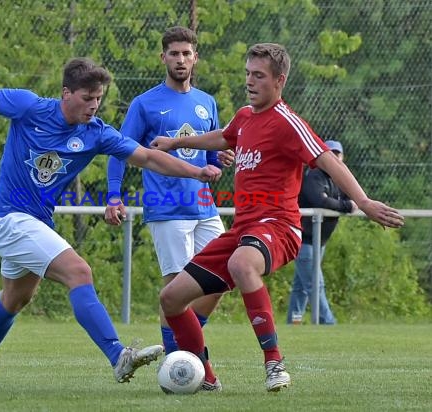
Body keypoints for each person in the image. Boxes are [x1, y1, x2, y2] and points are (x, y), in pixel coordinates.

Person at [0, 57, 222, 389]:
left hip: (37, 224)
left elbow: (148, 157)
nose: (94, 105)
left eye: (98, 98)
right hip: (10, 219)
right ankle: (118, 356)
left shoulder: (96, 133)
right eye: (87, 98)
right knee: (79, 272)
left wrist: (197, 171)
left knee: (14, 299)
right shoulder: (29, 107)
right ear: (66, 93)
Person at [150, 43, 404, 392]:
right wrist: (176, 143)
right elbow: (225, 138)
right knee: (171, 298)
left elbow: (327, 159)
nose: (249, 82)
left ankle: (274, 362)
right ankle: (204, 377)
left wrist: (363, 201)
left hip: (279, 227)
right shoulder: (244, 117)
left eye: (258, 76)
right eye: (247, 74)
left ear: (279, 81)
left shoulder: (287, 122)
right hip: (244, 230)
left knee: (242, 264)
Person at [104, 26, 232, 371]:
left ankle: (181, 349)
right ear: (163, 57)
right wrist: (113, 195)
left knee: (223, 277)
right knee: (177, 290)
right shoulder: (145, 103)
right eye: (174, 54)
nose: (180, 59)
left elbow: (207, 154)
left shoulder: (207, 103)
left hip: (204, 206)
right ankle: (185, 363)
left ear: (195, 58)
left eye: (186, 53)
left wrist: (217, 160)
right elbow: (119, 151)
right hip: (167, 208)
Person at [286, 140, 356, 325]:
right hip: (306, 240)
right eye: (329, 153)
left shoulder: (340, 178)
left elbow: (351, 197)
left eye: (337, 153)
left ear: (342, 156)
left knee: (301, 287)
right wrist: (346, 206)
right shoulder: (315, 176)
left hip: (320, 242)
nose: (334, 156)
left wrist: (345, 204)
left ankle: (293, 322)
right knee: (315, 284)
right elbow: (320, 201)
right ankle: (328, 322)